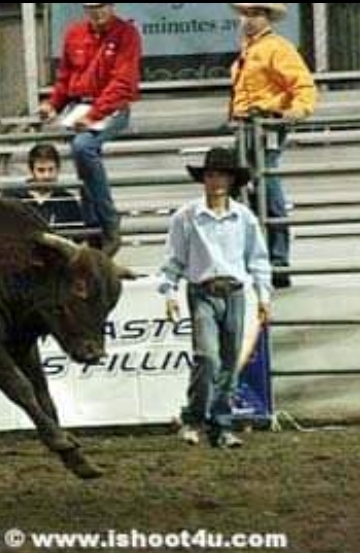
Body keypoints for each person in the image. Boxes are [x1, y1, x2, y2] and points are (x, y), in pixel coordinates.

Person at [158, 147, 272, 449]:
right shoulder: (186, 217)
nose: (216, 180)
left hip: (235, 292)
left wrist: (263, 296)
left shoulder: (243, 217)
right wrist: (169, 293)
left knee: (228, 361)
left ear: (231, 179)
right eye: (211, 175)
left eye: (222, 174)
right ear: (204, 179)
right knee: (208, 357)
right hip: (203, 291)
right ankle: (196, 418)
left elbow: (258, 260)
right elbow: (173, 262)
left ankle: (219, 424)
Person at [38, 3, 141, 257]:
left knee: (83, 147)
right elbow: (64, 78)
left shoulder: (126, 33)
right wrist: (53, 104)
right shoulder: (74, 33)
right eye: (91, 7)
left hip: (111, 106)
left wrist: (95, 114)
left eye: (101, 6)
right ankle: (95, 228)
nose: (97, 12)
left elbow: (123, 83)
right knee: (83, 155)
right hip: (79, 105)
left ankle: (106, 220)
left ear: (111, 6)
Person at [230, 3, 316, 288]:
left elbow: (303, 86)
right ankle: (261, 258)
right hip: (246, 124)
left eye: (256, 14)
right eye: (246, 14)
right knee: (250, 189)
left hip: (266, 123)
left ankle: (278, 261)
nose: (249, 20)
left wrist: (294, 112)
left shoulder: (277, 48)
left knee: (266, 184)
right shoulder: (251, 49)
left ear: (267, 18)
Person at [7, 143, 87, 234]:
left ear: (58, 169)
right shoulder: (13, 198)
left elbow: (79, 238)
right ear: (31, 170)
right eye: (41, 170)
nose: (47, 175)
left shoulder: (68, 201)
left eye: (51, 169)